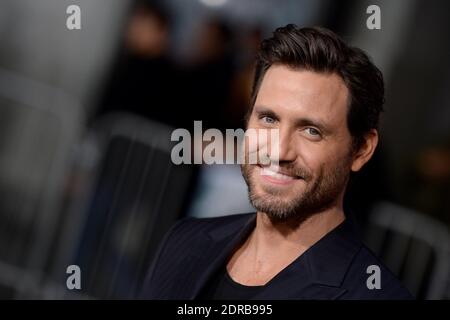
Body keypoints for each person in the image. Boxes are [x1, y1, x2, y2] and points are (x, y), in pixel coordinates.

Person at [140, 25, 413, 300]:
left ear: (361, 150)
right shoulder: (183, 241)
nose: (279, 151)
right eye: (269, 119)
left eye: (311, 131)